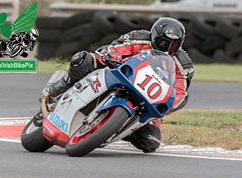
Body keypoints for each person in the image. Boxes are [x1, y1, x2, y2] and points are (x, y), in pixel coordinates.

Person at [40, 17, 194, 153]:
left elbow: (180, 93)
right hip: (118, 77)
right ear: (154, 37)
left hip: (145, 99)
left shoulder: (183, 65)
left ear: (180, 45)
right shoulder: (137, 38)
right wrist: (110, 56)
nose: (166, 49)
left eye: (172, 46)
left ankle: (115, 128)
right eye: (162, 43)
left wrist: (168, 105)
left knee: (151, 142)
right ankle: (60, 87)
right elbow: (113, 49)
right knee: (84, 59)